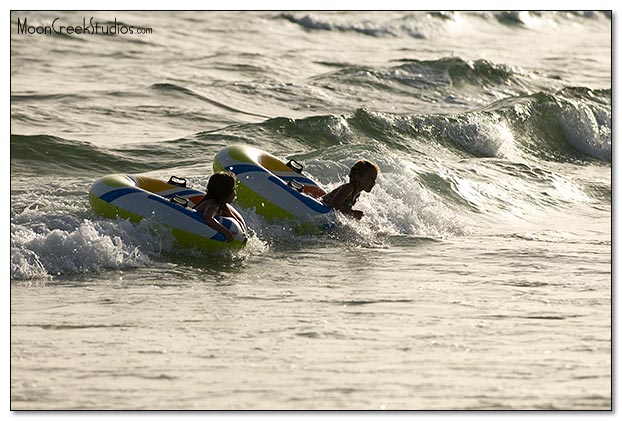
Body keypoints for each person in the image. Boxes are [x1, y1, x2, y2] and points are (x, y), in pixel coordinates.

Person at [194, 171, 246, 242]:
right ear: (226, 192)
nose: (235, 193)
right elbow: (208, 218)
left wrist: (243, 233)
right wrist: (227, 233)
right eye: (233, 189)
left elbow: (234, 219)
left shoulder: (223, 205)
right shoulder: (213, 204)